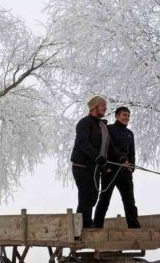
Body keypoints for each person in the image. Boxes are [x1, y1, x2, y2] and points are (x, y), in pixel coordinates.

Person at [70, 95, 124, 228]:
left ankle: (85, 223)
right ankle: (83, 225)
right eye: (103, 105)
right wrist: (98, 157)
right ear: (94, 107)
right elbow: (83, 143)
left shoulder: (102, 126)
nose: (105, 108)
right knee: (86, 195)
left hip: (95, 166)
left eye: (105, 105)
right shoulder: (84, 123)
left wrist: (121, 157)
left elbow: (109, 146)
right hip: (82, 166)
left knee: (93, 195)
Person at [92, 106, 141, 228]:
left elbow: (132, 153)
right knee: (105, 199)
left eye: (128, 116)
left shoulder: (130, 134)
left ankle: (133, 225)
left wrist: (132, 167)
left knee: (129, 200)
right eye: (124, 115)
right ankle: (97, 225)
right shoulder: (109, 129)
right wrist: (115, 162)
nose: (127, 118)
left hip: (125, 172)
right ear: (117, 116)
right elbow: (108, 147)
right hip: (111, 170)